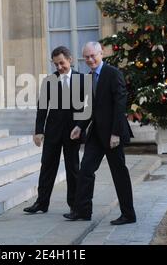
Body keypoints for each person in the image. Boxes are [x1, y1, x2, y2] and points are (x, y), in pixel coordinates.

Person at [64, 42, 136, 225]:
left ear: (101, 53)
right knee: (86, 170)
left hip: (113, 134)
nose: (89, 60)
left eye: (92, 56)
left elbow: (120, 105)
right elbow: (89, 108)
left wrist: (116, 133)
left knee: (119, 174)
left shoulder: (113, 74)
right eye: (86, 57)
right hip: (96, 134)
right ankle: (82, 211)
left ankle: (128, 214)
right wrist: (79, 126)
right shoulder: (88, 78)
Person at [23, 46, 85, 214]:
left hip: (73, 133)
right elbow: (42, 108)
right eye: (55, 64)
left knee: (73, 169)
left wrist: (80, 127)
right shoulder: (49, 81)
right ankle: (41, 203)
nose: (59, 67)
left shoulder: (82, 80)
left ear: (70, 60)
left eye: (61, 63)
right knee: (47, 167)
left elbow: (86, 109)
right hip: (52, 132)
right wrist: (38, 131)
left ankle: (74, 205)